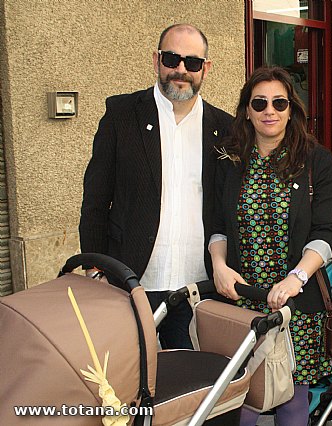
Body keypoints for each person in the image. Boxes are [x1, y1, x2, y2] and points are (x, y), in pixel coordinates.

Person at [79, 24, 232, 349]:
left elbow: (226, 209)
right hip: (130, 283)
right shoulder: (121, 115)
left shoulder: (224, 128)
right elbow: (94, 201)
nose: (180, 70)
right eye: (172, 58)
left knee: (190, 389)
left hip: (199, 288)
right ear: (156, 60)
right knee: (130, 388)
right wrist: (95, 270)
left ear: (206, 68)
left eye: (192, 63)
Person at [208, 66, 332, 425]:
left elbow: (325, 232)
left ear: (292, 109)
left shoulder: (317, 160)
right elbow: (218, 226)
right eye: (260, 102)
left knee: (291, 396)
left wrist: (296, 278)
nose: (270, 111)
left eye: (279, 102)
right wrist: (219, 267)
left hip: (294, 300)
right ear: (247, 110)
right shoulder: (230, 161)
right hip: (241, 298)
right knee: (242, 398)